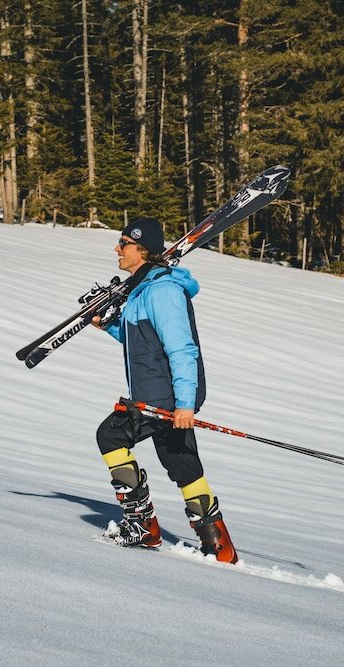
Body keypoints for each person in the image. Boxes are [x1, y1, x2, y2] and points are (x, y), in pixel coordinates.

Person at [92, 217, 237, 564]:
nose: (116, 248)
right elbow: (141, 344)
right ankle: (218, 545)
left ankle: (143, 525)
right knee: (181, 461)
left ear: (142, 249)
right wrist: (110, 324)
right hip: (160, 394)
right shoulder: (145, 291)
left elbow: (182, 349)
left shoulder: (162, 291)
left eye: (123, 243)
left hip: (163, 399)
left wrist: (185, 404)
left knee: (110, 436)